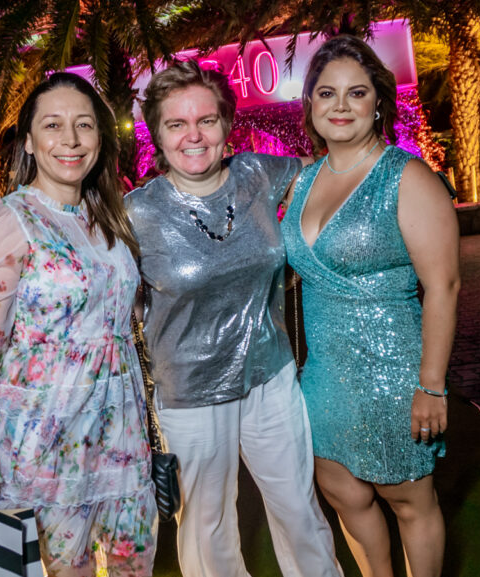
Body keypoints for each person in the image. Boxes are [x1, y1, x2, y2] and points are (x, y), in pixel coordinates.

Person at [0, 72, 156, 577]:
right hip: (44, 450)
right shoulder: (8, 223)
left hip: (119, 441)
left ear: (101, 137)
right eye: (53, 126)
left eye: (84, 125)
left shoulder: (108, 220)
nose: (71, 140)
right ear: (29, 142)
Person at [125, 59, 342, 577]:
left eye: (207, 120)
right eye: (176, 124)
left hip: (270, 375)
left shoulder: (259, 173)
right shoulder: (135, 213)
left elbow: (337, 176)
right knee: (207, 527)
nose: (193, 136)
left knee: (298, 511)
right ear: (158, 134)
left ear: (227, 124)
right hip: (190, 391)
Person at [280, 35, 460, 577]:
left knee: (410, 501)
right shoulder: (305, 179)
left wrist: (431, 385)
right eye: (327, 93)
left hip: (395, 375)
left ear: (377, 102)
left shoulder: (407, 177)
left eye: (356, 93)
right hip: (327, 376)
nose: (340, 106)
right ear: (309, 104)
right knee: (344, 496)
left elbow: (445, 287)